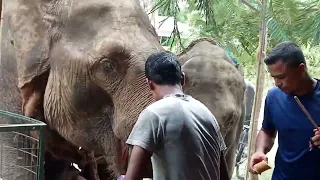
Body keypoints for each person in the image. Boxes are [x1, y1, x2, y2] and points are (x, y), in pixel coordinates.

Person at [124, 51, 229, 180]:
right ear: (183, 79)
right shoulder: (207, 114)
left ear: (149, 84)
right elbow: (223, 175)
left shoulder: (154, 114)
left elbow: (132, 178)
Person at [249, 41, 320, 179]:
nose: (277, 83)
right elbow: (267, 130)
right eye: (274, 77)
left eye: (281, 77)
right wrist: (260, 151)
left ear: (301, 69)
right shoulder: (274, 96)